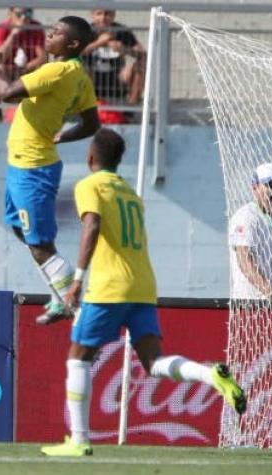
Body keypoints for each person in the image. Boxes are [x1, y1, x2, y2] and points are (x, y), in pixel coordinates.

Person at [40, 128, 247, 457]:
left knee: (78, 357)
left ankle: (78, 439)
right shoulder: (130, 193)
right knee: (153, 362)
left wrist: (78, 278)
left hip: (110, 287)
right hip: (143, 285)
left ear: (90, 157)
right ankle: (210, 375)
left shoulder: (89, 186)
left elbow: (91, 225)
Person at [0, 16, 100, 323]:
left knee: (39, 244)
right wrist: (63, 135)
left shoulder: (58, 70)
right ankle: (60, 293)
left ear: (72, 44)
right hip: (23, 164)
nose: (48, 36)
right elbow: (91, 123)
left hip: (33, 169)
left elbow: (7, 92)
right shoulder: (80, 76)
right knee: (22, 231)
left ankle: (76, 308)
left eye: (56, 33)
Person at [228, 162, 272, 303]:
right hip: (251, 305)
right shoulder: (245, 217)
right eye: (270, 185)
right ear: (255, 187)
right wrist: (271, 293)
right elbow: (244, 260)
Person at [0, 7, 47, 122]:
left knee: (43, 69)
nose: (24, 18)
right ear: (10, 14)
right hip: (8, 70)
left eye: (28, 13)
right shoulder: (2, 28)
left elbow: (42, 57)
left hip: (28, 69)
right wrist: (13, 35)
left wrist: (25, 68)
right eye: (19, 14)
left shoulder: (35, 27)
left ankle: (37, 110)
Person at [82, 9, 146, 106]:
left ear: (113, 15)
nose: (103, 18)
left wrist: (125, 49)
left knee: (140, 65)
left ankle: (131, 108)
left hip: (118, 78)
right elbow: (74, 53)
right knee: (80, 68)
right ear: (93, 15)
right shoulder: (86, 31)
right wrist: (99, 43)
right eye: (99, 14)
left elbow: (143, 54)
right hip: (92, 78)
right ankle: (85, 107)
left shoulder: (121, 31)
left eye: (107, 14)